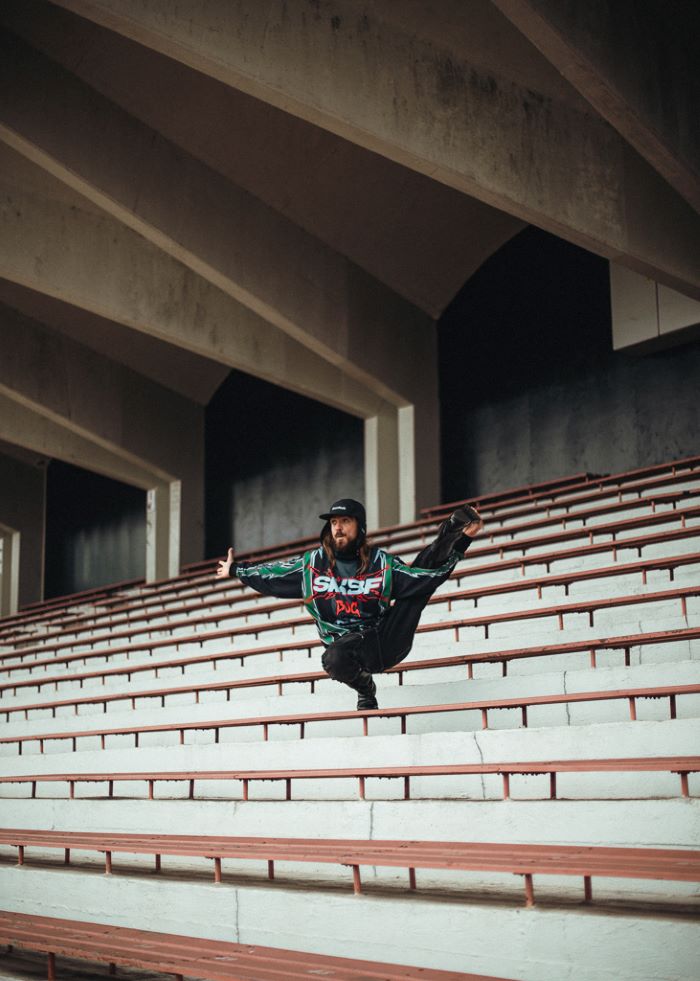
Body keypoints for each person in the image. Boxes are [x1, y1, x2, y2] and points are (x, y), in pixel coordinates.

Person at [216, 499, 483, 710]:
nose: (338, 527)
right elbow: (273, 575)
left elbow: (423, 578)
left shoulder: (381, 563)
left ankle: (454, 531)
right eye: (333, 522)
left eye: (345, 521)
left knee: (415, 592)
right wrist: (237, 570)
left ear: (360, 527)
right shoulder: (312, 565)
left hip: (383, 640)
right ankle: (366, 689)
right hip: (345, 650)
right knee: (333, 657)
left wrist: (462, 542)